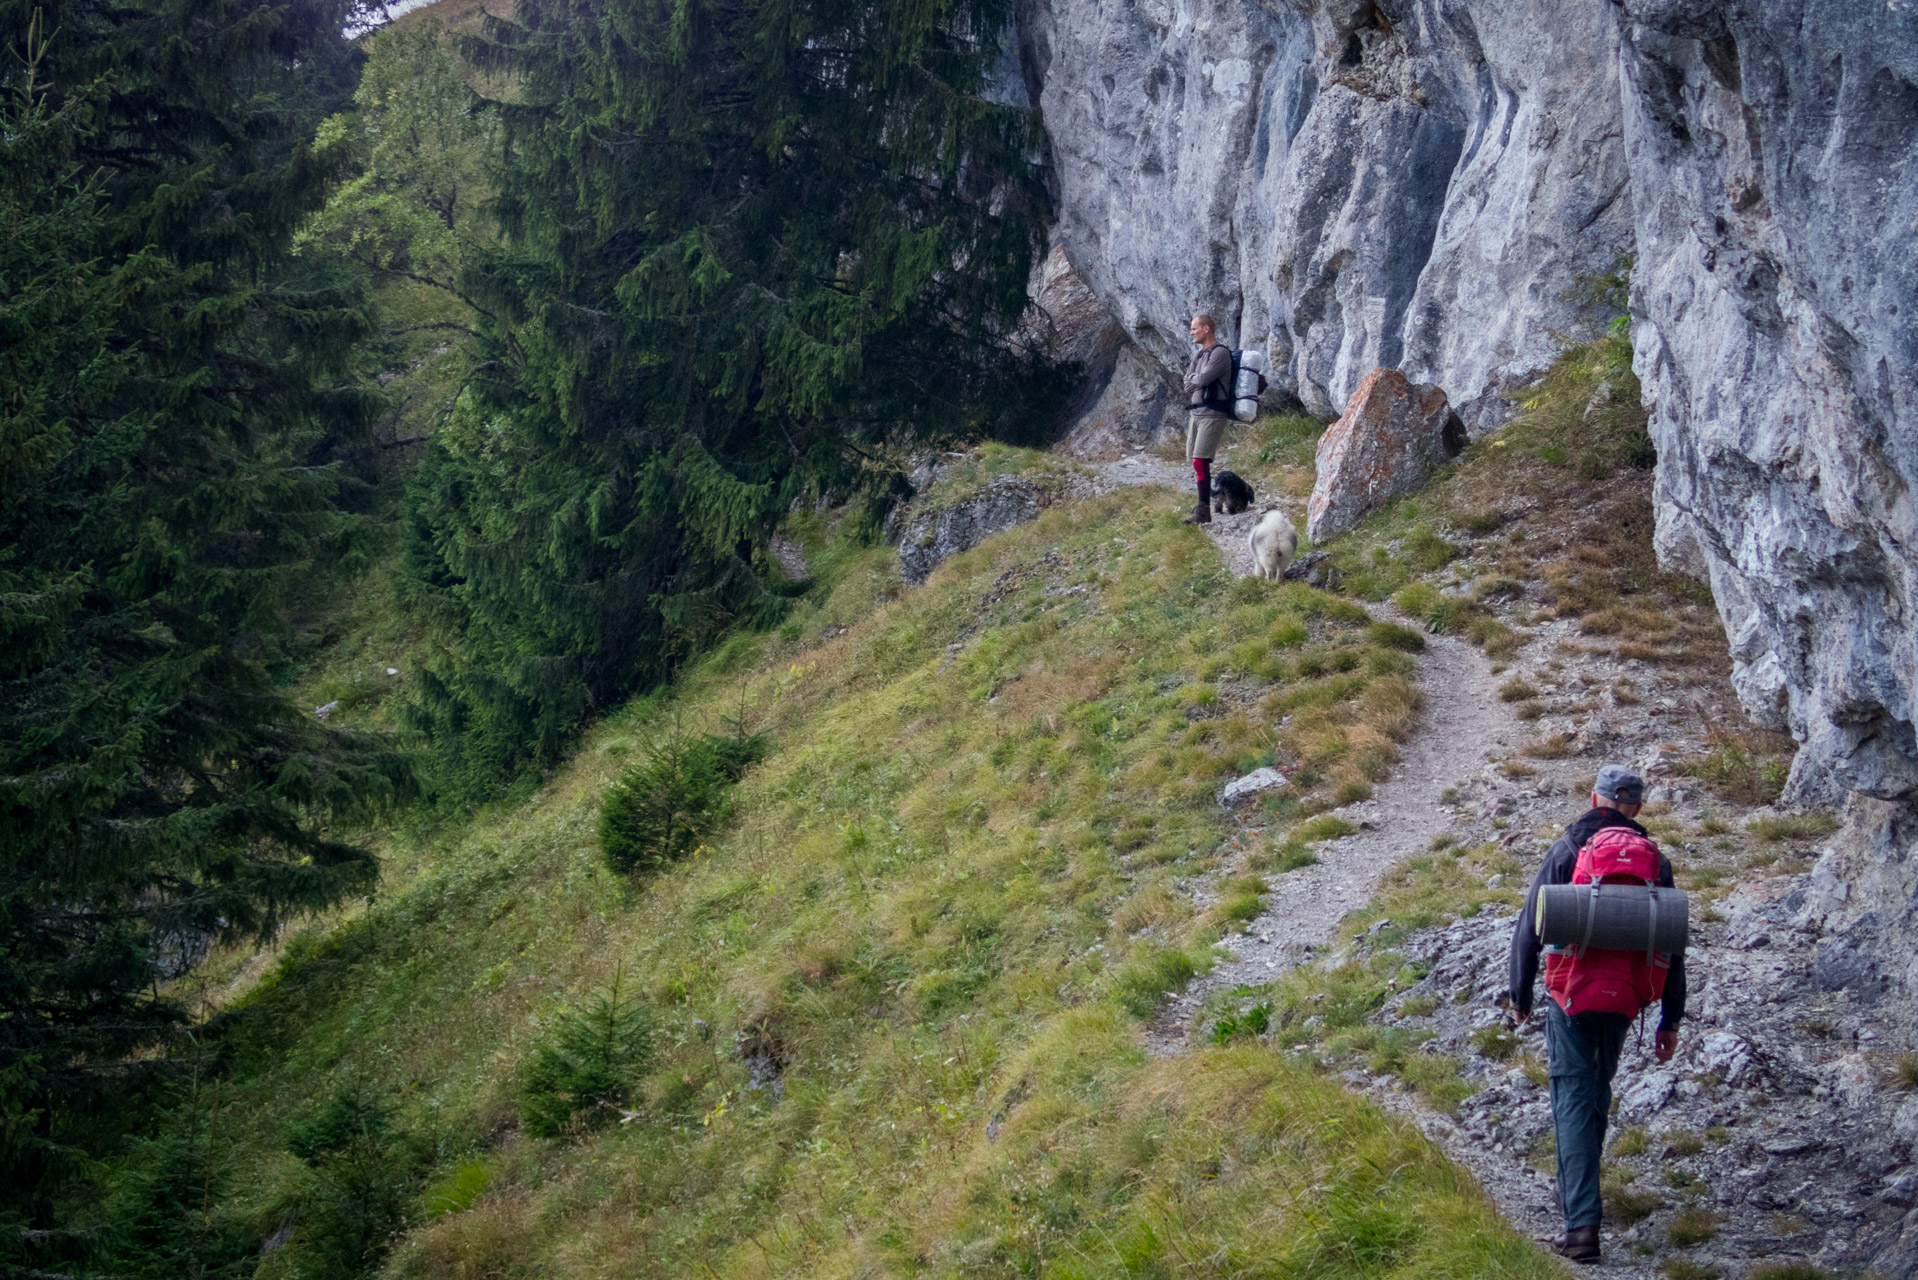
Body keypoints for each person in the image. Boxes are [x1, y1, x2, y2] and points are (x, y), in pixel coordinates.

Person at [1508, 764, 1687, 1265]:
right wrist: (1670, 1019)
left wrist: (1518, 997)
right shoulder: (1656, 864)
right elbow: (1673, 946)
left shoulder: (1568, 849)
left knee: (1571, 1094)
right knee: (1595, 1093)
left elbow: (1529, 926)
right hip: (1626, 1000)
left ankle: (1581, 1226)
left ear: (1595, 799)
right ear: (1638, 807)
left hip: (1571, 997)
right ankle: (1578, 1201)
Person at [1181, 313, 1234, 524]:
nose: (1191, 332)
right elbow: (1187, 383)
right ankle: (1209, 505)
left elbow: (1203, 379)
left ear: (1206, 329)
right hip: (1196, 413)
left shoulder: (1220, 353)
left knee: (1200, 460)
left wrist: (1196, 380)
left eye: (1194, 328)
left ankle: (1203, 511)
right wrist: (1196, 380)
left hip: (1212, 413)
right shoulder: (1200, 355)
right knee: (1196, 462)